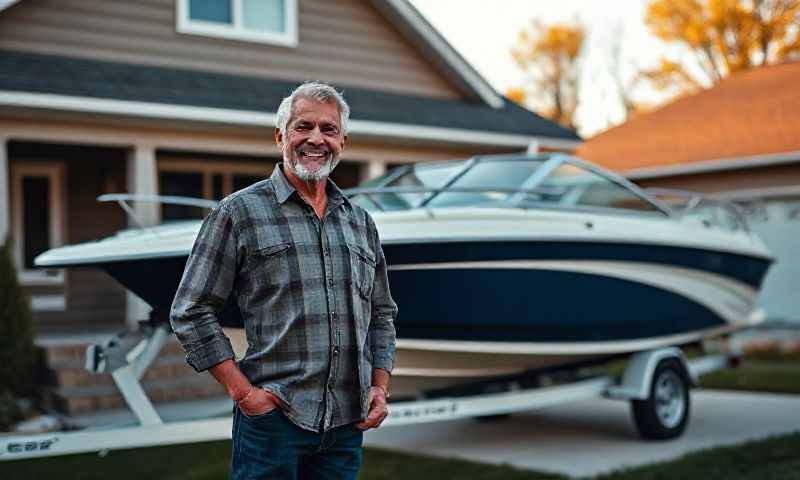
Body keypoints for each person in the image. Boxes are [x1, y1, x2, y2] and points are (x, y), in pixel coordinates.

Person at [170, 81, 397, 480]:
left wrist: (380, 387)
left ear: (342, 141)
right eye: (302, 126)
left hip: (346, 426)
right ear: (280, 136)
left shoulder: (361, 223)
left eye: (328, 129)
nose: (316, 139)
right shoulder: (238, 213)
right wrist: (244, 394)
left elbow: (381, 314)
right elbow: (190, 310)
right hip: (273, 424)